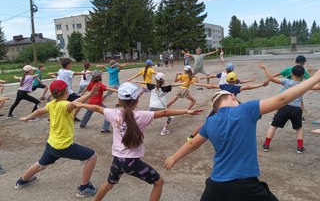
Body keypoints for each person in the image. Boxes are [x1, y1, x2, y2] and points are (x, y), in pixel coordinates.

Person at [164, 67, 320, 201]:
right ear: (233, 97)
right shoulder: (246, 109)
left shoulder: (210, 122)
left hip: (216, 185)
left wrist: (174, 157)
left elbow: (192, 144)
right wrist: (314, 79)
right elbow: (283, 98)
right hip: (245, 184)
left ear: (216, 108)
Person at [72, 82, 203, 201]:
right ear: (137, 100)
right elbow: (165, 112)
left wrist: (80, 104)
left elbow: (96, 108)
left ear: (119, 100)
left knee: (109, 183)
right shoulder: (142, 115)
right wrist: (187, 111)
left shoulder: (113, 113)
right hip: (132, 162)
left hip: (118, 159)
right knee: (159, 182)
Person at [15, 80, 99, 198]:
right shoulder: (64, 105)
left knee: (41, 165)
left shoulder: (51, 104)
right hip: (63, 146)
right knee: (92, 156)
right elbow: (73, 104)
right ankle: (84, 188)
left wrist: (27, 117)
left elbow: (39, 111)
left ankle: (22, 181)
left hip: (51, 144)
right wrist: (89, 95)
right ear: (65, 91)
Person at [259, 63, 307, 153]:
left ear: (291, 74)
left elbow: (271, 78)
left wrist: (265, 68)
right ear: (303, 75)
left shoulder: (286, 81)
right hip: (296, 109)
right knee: (299, 128)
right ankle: (300, 147)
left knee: (273, 126)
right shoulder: (303, 85)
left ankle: (266, 144)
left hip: (284, 107)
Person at [273, 55, 310, 123]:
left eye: (302, 63)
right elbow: (279, 73)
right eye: (300, 63)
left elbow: (310, 80)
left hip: (296, 90)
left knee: (301, 103)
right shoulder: (289, 69)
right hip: (286, 89)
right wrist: (269, 78)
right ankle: (276, 115)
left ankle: (300, 117)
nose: (301, 65)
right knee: (279, 101)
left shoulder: (303, 71)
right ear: (296, 62)